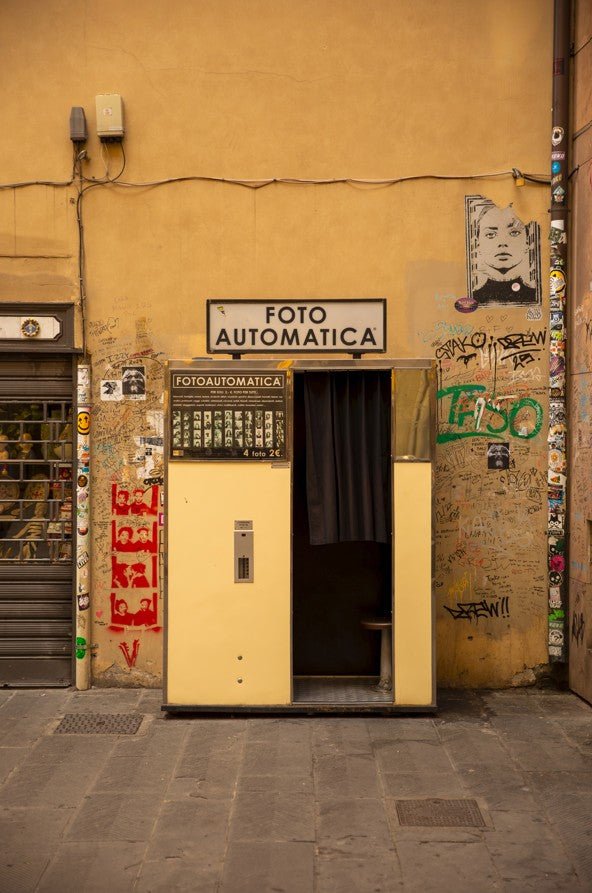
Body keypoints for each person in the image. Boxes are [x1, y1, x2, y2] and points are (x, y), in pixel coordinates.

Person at [472, 205, 537, 305]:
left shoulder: (536, 297)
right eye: (490, 234)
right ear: (478, 244)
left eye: (514, 232)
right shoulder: (472, 300)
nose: (502, 242)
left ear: (527, 242)